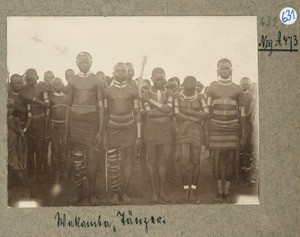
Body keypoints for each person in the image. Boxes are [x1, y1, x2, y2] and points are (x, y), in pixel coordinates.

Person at [66, 52, 104, 205]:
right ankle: (79, 193)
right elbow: (68, 106)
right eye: (82, 62)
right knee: (77, 162)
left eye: (87, 62)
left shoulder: (97, 80)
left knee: (92, 161)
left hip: (92, 125)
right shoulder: (72, 81)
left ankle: (92, 195)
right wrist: (67, 130)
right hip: (75, 126)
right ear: (77, 63)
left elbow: (101, 106)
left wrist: (100, 131)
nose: (85, 64)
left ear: (92, 62)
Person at [206, 58, 246, 203]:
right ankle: (219, 191)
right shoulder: (211, 88)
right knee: (216, 162)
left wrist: (243, 134)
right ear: (217, 71)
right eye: (221, 68)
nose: (224, 70)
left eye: (227, 68)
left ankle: (227, 192)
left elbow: (242, 113)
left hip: (232, 129)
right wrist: (206, 132)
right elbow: (208, 111)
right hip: (215, 128)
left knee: (230, 162)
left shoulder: (238, 89)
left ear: (231, 70)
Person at [103, 62, 142, 205]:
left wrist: (138, 136)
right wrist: (104, 134)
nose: (120, 73)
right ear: (113, 73)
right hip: (112, 130)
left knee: (128, 161)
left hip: (129, 130)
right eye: (117, 71)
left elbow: (137, 113)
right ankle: (114, 193)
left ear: (127, 73)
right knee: (113, 163)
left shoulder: (133, 91)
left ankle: (124, 192)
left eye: (123, 71)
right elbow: (106, 113)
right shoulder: (107, 91)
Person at [174, 76, 210, 202]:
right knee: (183, 162)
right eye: (187, 86)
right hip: (182, 131)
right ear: (183, 85)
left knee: (195, 161)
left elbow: (206, 114)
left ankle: (193, 190)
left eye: (193, 86)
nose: (190, 88)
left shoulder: (200, 97)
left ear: (196, 86)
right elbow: (176, 113)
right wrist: (194, 118)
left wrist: (189, 112)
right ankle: (185, 189)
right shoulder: (177, 96)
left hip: (196, 131)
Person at [142, 67, 173, 203]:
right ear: (152, 78)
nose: (159, 81)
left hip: (166, 129)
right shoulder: (146, 92)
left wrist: (152, 102)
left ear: (165, 77)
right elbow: (149, 113)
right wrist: (164, 110)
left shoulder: (170, 92)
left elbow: (169, 109)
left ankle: (162, 191)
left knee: (163, 160)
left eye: (162, 78)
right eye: (156, 78)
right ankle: (153, 192)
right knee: (151, 160)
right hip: (151, 128)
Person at [21, 68, 50, 182]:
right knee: (29, 149)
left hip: (40, 123)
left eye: (32, 78)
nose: (30, 81)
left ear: (37, 77)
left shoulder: (42, 89)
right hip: (28, 122)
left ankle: (39, 172)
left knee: (39, 149)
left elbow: (47, 105)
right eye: (28, 79)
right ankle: (31, 172)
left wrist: (33, 99)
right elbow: (23, 98)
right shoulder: (24, 89)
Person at [49, 78, 68, 183]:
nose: (57, 85)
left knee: (65, 150)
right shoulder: (51, 98)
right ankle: (56, 172)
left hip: (65, 127)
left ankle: (64, 171)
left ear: (63, 84)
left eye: (59, 83)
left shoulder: (67, 97)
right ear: (53, 85)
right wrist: (48, 128)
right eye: (55, 84)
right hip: (54, 126)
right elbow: (48, 114)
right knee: (55, 150)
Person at [239, 77, 253, 175]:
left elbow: (251, 110)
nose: (245, 86)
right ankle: (240, 164)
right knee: (239, 143)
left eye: (247, 84)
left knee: (246, 143)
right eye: (243, 84)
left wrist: (244, 116)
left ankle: (246, 165)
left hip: (247, 122)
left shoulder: (252, 95)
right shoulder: (238, 94)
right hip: (237, 121)